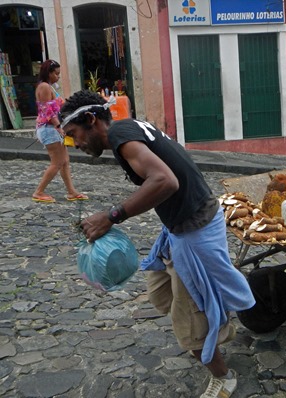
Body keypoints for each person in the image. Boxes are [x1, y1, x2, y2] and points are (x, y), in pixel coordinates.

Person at [60, 90, 255, 398]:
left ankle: (223, 375)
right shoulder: (127, 130)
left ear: (91, 120)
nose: (76, 144)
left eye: (74, 135)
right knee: (159, 291)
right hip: (181, 226)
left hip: (195, 231)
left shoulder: (123, 136)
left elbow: (165, 181)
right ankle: (206, 324)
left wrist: (111, 216)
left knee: (188, 316)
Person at [32, 59, 88, 203]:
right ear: (49, 73)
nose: (58, 76)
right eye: (56, 74)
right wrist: (59, 127)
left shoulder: (48, 87)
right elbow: (48, 112)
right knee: (57, 162)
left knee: (64, 161)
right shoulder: (44, 87)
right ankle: (39, 192)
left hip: (51, 128)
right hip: (49, 129)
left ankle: (71, 192)